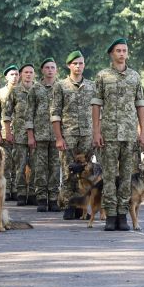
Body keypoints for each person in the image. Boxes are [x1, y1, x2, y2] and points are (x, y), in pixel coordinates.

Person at [91, 38, 144, 231]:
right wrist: (96, 131)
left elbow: (140, 105)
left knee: (126, 176)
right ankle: (110, 215)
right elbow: (96, 104)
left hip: (130, 133)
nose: (122, 53)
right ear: (111, 54)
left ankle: (122, 214)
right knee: (108, 175)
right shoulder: (103, 76)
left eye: (124, 50)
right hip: (109, 133)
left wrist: (143, 132)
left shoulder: (135, 76)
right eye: (118, 50)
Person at [51, 50, 95, 220]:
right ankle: (69, 205)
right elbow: (55, 113)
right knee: (69, 171)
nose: (78, 66)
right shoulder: (60, 86)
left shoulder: (92, 86)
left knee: (85, 172)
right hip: (68, 135)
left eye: (81, 63)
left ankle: (81, 206)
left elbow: (98, 111)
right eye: (75, 63)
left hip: (87, 135)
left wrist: (97, 134)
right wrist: (59, 137)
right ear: (69, 65)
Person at [26, 58, 60, 212]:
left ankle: (53, 198)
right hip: (40, 135)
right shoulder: (35, 89)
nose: (50, 70)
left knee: (55, 167)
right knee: (40, 167)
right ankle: (41, 198)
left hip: (57, 135)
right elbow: (29, 113)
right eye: (47, 67)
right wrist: (30, 135)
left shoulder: (61, 87)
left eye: (53, 67)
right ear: (42, 70)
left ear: (56, 70)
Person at [4, 63, 36, 206]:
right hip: (20, 134)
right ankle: (21, 193)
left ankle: (33, 193)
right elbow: (7, 113)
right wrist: (8, 132)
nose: (28, 75)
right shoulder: (15, 91)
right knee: (20, 164)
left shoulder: (39, 89)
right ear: (21, 74)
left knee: (36, 165)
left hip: (38, 133)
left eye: (31, 72)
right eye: (26, 72)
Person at [0, 64, 19, 200]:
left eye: (16, 74)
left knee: (19, 162)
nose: (15, 77)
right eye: (12, 74)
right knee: (5, 162)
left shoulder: (25, 91)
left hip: (21, 133)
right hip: (4, 132)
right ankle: (6, 189)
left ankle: (16, 189)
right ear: (6, 77)